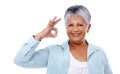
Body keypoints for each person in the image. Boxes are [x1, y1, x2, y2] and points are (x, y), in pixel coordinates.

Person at [14, 5, 112, 74]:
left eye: (80, 25)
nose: (75, 29)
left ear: (88, 27)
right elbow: (20, 60)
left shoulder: (99, 53)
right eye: (70, 25)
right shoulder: (53, 52)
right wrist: (40, 36)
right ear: (66, 27)